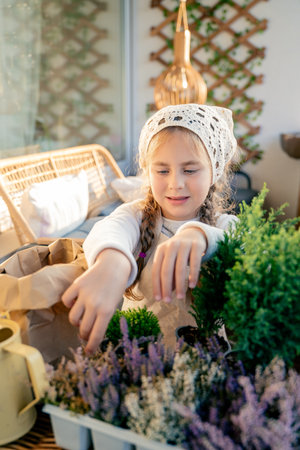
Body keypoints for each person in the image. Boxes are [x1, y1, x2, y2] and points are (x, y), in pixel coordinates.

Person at [62, 103, 238, 354]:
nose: (175, 183)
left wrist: (201, 235)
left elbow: (243, 242)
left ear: (214, 172)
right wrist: (112, 262)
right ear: (147, 171)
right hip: (141, 355)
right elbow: (111, 229)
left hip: (204, 358)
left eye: (190, 170)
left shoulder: (222, 224)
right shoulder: (136, 216)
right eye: (162, 170)